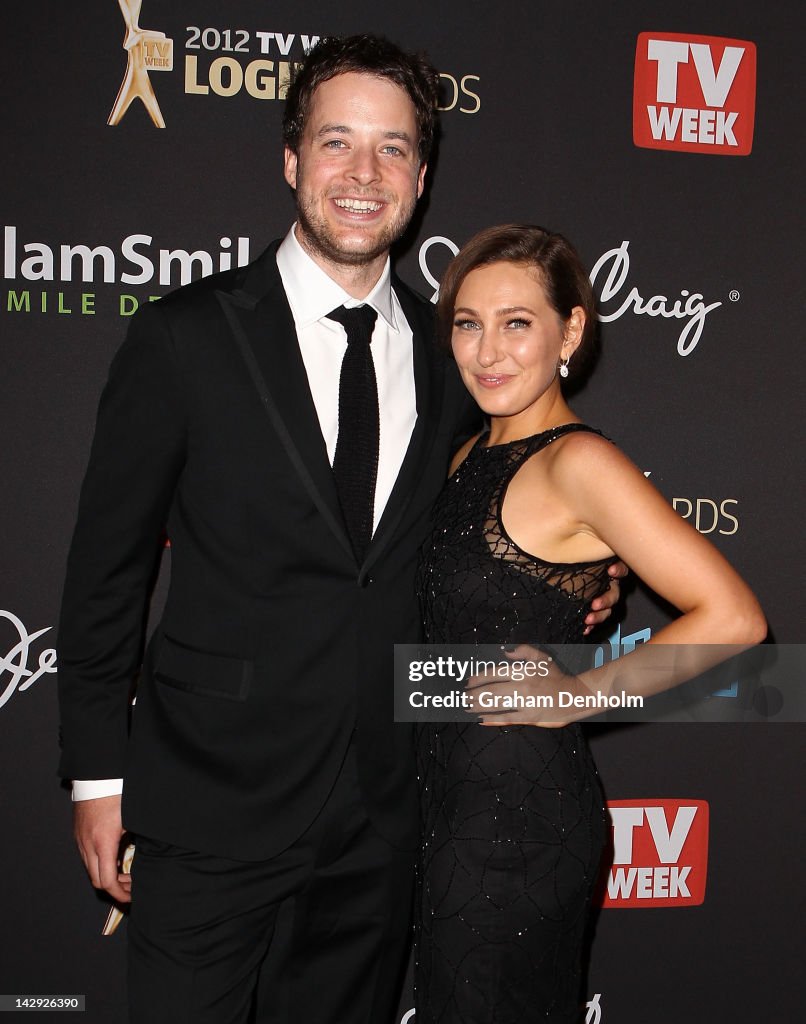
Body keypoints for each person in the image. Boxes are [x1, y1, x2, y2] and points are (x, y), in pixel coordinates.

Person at [58, 37, 622, 1024]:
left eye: (393, 148)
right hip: (204, 807)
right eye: (336, 143)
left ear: (422, 175)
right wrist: (97, 778)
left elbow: (483, 540)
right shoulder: (186, 335)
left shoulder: (459, 366)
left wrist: (575, 599)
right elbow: (104, 575)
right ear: (290, 160)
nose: (363, 176)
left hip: (383, 818)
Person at [414, 224, 766, 1023]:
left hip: (518, 828)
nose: (488, 351)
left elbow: (736, 616)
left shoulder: (580, 464)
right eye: (468, 323)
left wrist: (580, 691)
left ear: (569, 330)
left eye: (518, 323)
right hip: (446, 812)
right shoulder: (464, 454)